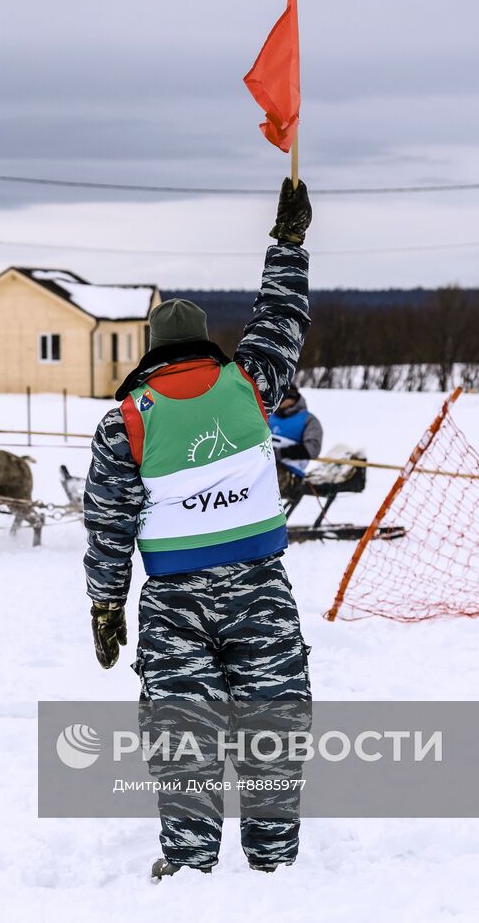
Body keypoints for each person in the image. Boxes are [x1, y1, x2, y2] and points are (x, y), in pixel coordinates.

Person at [83, 178, 314, 879]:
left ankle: (189, 872)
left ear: (151, 353)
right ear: (204, 347)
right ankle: (274, 869)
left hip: (172, 604)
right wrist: (289, 243)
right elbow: (281, 317)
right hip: (260, 591)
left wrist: (105, 603)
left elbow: (108, 524)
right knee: (273, 723)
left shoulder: (126, 421)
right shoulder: (251, 383)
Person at [268, 384, 324, 503]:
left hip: (290, 474)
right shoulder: (269, 416)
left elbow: (312, 449)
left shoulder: (309, 420)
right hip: (265, 465)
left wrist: (282, 453)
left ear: (292, 399)